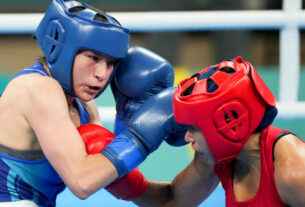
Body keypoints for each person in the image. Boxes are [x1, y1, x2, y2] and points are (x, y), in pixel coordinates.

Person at [0, 0, 178, 206]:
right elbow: (82, 182)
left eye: (111, 63)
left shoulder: (86, 108)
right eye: (93, 58)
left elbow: (114, 179)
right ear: (61, 49)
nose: (102, 74)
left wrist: (125, 123)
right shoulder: (37, 89)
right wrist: (142, 134)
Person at [100, 56, 305, 207]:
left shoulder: (294, 173)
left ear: (227, 125)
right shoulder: (221, 156)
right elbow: (173, 200)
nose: (186, 137)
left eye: (193, 128)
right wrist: (122, 179)